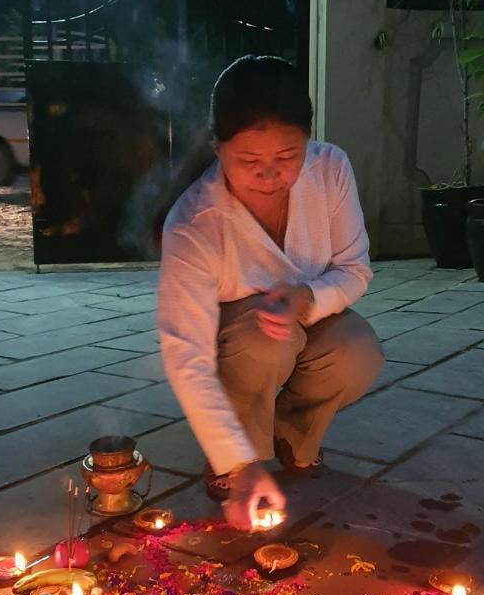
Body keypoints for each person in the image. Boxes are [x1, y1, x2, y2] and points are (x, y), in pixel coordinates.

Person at [157, 55, 384, 532]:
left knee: (357, 350)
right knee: (262, 340)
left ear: (307, 140)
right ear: (217, 147)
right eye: (249, 161)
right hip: (238, 340)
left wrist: (308, 297)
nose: (269, 176)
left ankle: (291, 437)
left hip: (309, 313)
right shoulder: (195, 224)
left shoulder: (330, 170)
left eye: (287, 157)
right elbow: (187, 356)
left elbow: (354, 269)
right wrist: (238, 465)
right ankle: (237, 455)